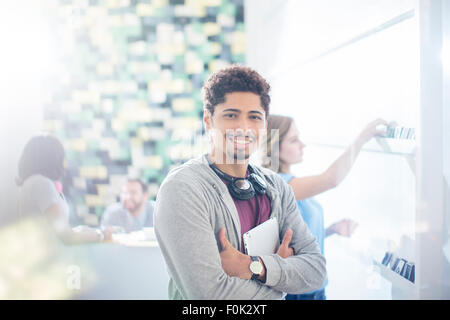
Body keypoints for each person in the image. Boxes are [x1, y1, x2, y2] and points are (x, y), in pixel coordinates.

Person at [154, 65, 326, 300]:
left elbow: (316, 271)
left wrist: (254, 267)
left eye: (254, 117)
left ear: (264, 125)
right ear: (208, 121)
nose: (243, 128)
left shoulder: (277, 188)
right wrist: (281, 279)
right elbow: (210, 296)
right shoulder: (183, 188)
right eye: (231, 115)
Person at [261, 114, 387, 299]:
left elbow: (298, 237)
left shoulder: (292, 184)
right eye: (294, 140)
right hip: (299, 291)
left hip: (314, 286)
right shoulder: (283, 185)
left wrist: (330, 230)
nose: (302, 145)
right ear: (275, 148)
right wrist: (362, 138)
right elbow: (331, 179)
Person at [16, 133, 112, 244]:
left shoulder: (31, 182)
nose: (63, 161)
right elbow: (66, 236)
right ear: (52, 159)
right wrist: (101, 236)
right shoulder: (41, 184)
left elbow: (54, 230)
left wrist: (80, 231)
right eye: (62, 157)